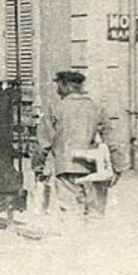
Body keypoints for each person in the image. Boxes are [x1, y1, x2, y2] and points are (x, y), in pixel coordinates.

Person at [36, 70, 115, 230]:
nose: (57, 90)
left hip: (67, 168)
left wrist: (38, 166)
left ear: (65, 85)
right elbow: (112, 139)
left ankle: (75, 248)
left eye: (58, 85)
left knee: (71, 213)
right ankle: (96, 249)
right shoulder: (96, 107)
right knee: (95, 214)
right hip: (95, 167)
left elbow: (44, 141)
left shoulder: (55, 109)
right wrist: (117, 168)